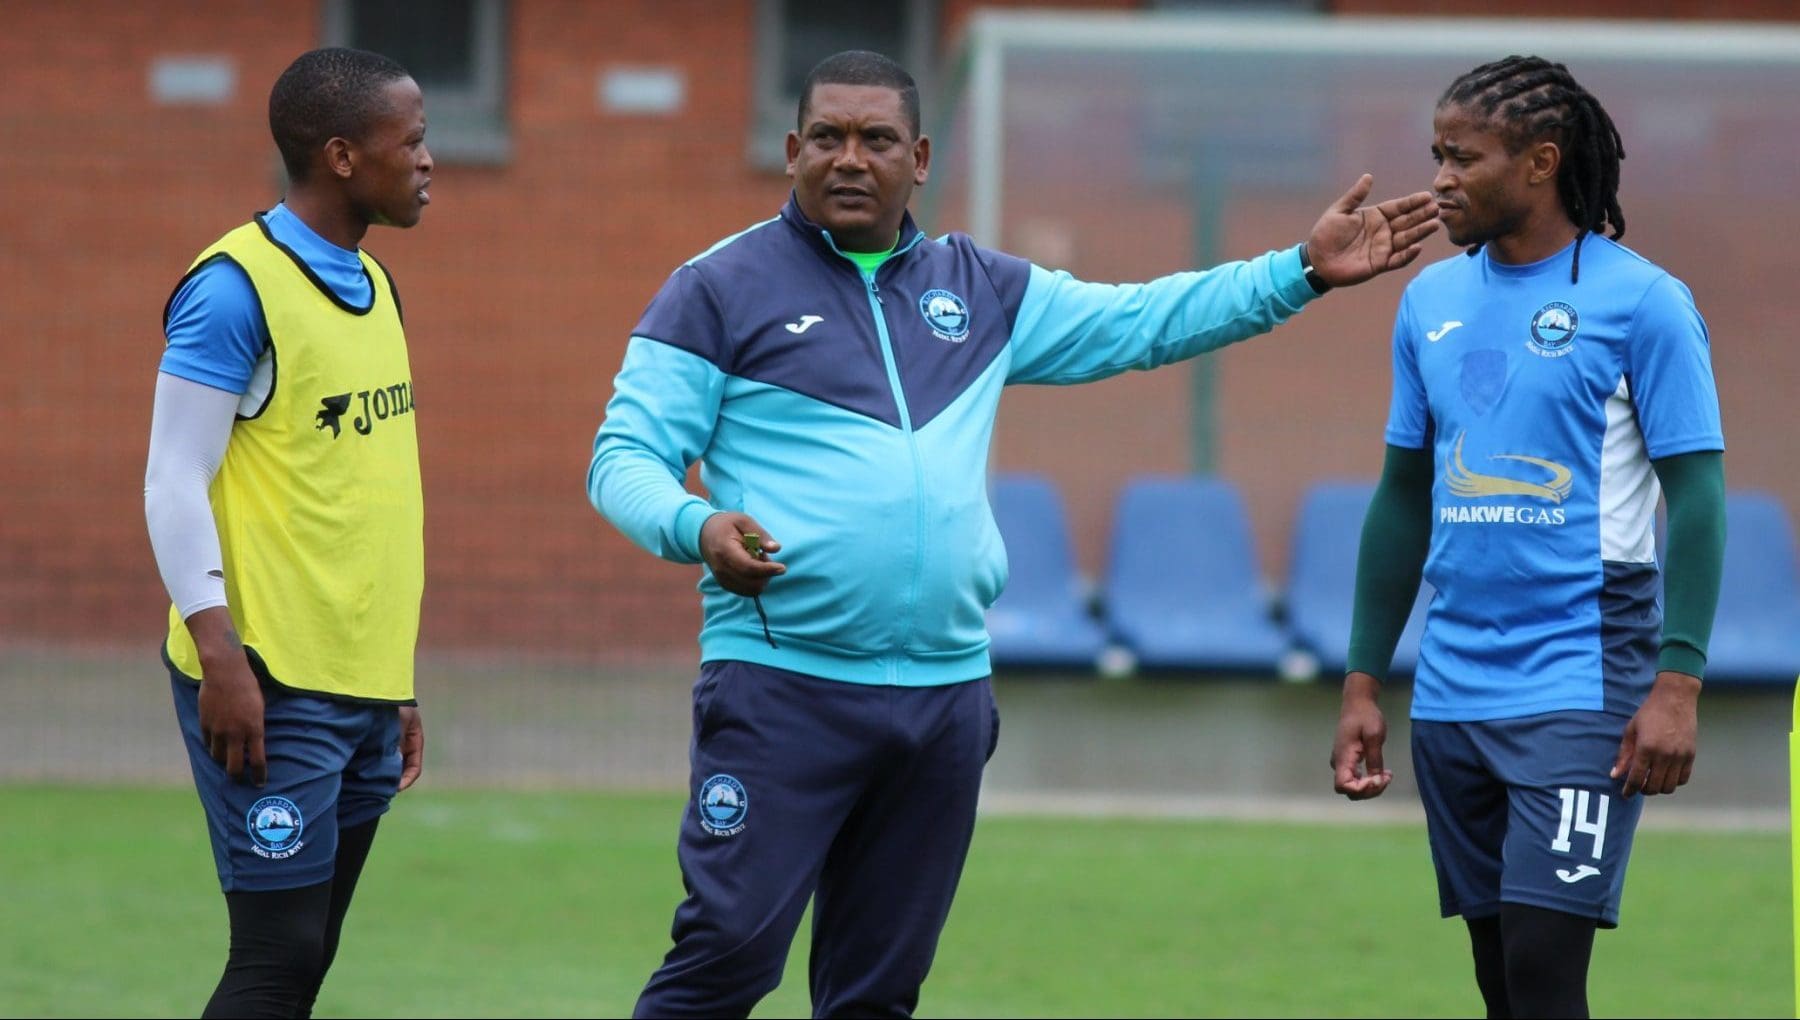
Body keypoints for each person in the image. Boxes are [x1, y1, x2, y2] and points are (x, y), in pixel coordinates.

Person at [589, 49, 1438, 1019]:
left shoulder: (980, 289)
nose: (849, 158)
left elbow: (1141, 321)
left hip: (942, 702)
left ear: (919, 158)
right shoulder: (715, 289)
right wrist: (696, 524)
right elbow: (623, 458)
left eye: (875, 139)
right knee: (726, 958)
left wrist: (1299, 272)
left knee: (877, 993)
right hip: (784, 689)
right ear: (791, 151)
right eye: (827, 137)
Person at [1330, 55, 1726, 1019]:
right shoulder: (1429, 301)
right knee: (1501, 981)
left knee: (1546, 975)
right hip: (1454, 688)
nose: (1441, 180)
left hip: (1582, 684)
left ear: (1543, 162)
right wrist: (1362, 681)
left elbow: (1700, 498)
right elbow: (1402, 498)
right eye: (1437, 155)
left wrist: (1678, 682)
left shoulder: (1645, 303)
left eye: (1463, 159)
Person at [142, 47, 433, 1018]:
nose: (428, 159)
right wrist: (220, 654)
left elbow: (358, 497)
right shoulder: (235, 289)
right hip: (267, 678)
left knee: (307, 957)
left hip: (361, 683)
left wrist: (395, 682)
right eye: (411, 141)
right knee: (276, 957)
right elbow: (172, 477)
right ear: (343, 156)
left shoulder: (375, 284)